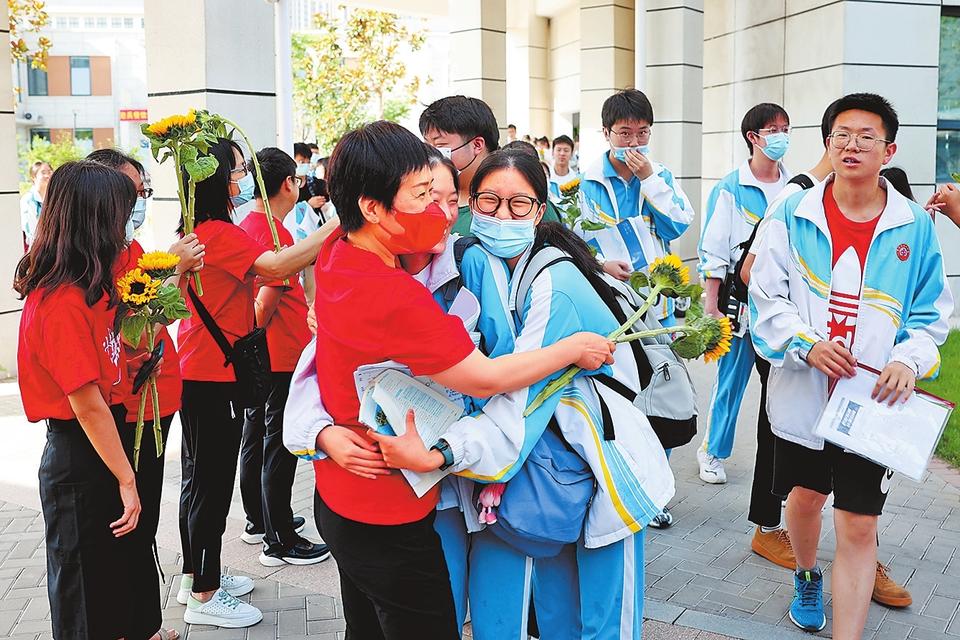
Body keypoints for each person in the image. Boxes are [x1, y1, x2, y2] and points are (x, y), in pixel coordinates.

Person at [308, 121, 614, 639]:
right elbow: (485, 379)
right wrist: (570, 349)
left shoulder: (338, 252)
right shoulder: (394, 296)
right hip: (388, 509)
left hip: (338, 496)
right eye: (422, 195)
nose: (441, 212)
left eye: (448, 197)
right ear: (373, 208)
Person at [371, 149, 673, 639]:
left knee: (604, 624)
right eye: (489, 202)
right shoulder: (486, 264)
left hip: (601, 466)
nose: (501, 216)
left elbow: (520, 397)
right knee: (553, 615)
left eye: (518, 204)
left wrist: (443, 453)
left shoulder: (555, 282)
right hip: (544, 471)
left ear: (539, 209)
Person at [750, 93, 953, 636]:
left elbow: (931, 312)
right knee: (805, 498)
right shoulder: (792, 213)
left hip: (871, 402)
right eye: (842, 135)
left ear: (889, 150)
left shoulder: (913, 225)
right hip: (803, 393)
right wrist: (805, 344)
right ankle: (806, 573)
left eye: (866, 136)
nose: (852, 145)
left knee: (860, 525)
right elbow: (766, 298)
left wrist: (908, 359)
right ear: (827, 144)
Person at [175, 137, 339, 628]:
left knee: (198, 481)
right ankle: (204, 595)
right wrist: (338, 224)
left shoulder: (204, 229)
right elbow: (274, 268)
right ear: (215, 178)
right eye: (236, 169)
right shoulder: (218, 232)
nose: (242, 177)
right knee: (210, 485)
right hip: (212, 373)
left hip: (201, 367)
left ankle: (195, 577)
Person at [15, 160, 175, 640]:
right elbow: (85, 405)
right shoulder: (60, 301)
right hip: (80, 456)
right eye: (119, 215)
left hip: (100, 446)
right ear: (93, 221)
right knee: (86, 597)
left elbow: (105, 368)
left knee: (111, 587)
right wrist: (127, 478)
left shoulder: (91, 287)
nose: (126, 226)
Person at [237, 147, 329, 567]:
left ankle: (260, 520)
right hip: (278, 356)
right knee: (280, 444)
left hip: (264, 356)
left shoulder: (248, 226)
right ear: (288, 184)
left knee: (256, 437)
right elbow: (265, 304)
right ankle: (280, 539)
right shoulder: (277, 237)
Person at [696, 102, 792, 485]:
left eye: (785, 129)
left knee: (784, 387)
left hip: (781, 304)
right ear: (753, 137)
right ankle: (713, 452)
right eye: (773, 130)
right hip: (739, 304)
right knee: (730, 382)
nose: (781, 136)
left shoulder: (795, 187)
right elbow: (714, 250)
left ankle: (782, 461)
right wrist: (711, 305)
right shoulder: (730, 188)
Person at [574, 89, 695, 325]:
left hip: (657, 303)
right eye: (625, 133)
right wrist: (601, 265)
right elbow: (576, 239)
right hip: (610, 299)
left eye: (642, 133)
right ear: (606, 133)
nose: (634, 143)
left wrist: (649, 180)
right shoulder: (588, 182)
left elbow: (678, 225)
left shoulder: (660, 176)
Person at [419, 95, 500, 236]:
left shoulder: (510, 203)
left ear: (477, 145)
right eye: (427, 145)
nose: (431, 154)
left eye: (440, 145)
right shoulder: (422, 195)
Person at [20, 160, 52, 250]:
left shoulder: (53, 198)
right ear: (33, 177)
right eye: (43, 172)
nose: (47, 175)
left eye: (50, 172)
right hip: (37, 250)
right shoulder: (28, 200)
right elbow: (30, 232)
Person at [548, 134, 577, 202]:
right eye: (558, 150)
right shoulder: (546, 178)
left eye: (566, 150)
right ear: (552, 152)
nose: (562, 153)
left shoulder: (576, 179)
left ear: (572, 154)